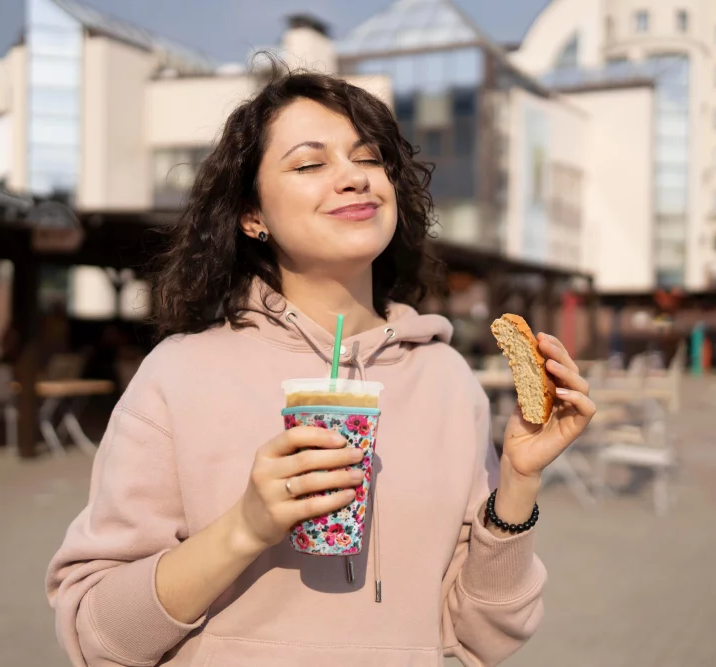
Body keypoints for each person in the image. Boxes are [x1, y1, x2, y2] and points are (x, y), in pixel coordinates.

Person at [46, 70, 595, 667]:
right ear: (252, 214)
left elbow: (483, 636)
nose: (354, 176)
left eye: (369, 158)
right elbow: (99, 637)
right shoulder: (177, 376)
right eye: (309, 164)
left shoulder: (446, 379)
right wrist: (245, 528)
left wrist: (517, 482)